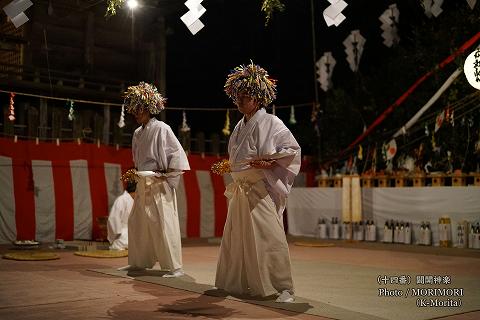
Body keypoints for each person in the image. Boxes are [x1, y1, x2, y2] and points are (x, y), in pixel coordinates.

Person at [215, 62, 301, 303]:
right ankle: (242, 282)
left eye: (245, 97)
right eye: (238, 97)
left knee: (268, 237)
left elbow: (291, 150)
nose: (240, 101)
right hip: (241, 190)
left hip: (260, 189)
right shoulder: (239, 127)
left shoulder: (272, 122)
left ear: (258, 98)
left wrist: (270, 164)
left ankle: (282, 287)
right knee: (237, 238)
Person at [120, 82, 190, 277]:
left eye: (139, 108)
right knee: (137, 222)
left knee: (163, 223)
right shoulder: (137, 133)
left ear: (150, 108)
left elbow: (176, 156)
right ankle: (138, 262)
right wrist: (136, 172)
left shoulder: (162, 128)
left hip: (159, 181)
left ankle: (174, 267)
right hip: (143, 181)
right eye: (134, 108)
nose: (136, 112)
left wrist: (166, 174)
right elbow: (137, 160)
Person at [107, 181, 136, 250]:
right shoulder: (121, 199)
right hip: (122, 236)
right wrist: (117, 234)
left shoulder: (135, 201)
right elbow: (114, 218)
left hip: (133, 235)